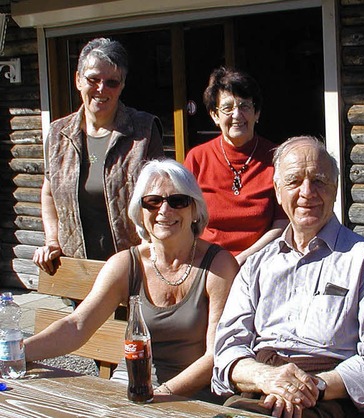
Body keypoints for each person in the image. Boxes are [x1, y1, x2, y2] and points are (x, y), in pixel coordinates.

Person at [212, 136, 364, 418]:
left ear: (335, 189)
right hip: (259, 392)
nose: (307, 192)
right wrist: (266, 378)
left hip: (331, 397)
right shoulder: (257, 265)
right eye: (294, 181)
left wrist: (312, 387)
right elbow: (228, 349)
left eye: (319, 181)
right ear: (278, 191)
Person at [25, 159, 239, 401]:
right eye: (153, 201)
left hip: (193, 397)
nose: (164, 211)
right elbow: (77, 326)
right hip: (131, 386)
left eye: (178, 201)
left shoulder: (218, 267)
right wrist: (17, 353)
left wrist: (159, 395)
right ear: (140, 211)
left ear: (195, 210)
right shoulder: (126, 264)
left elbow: (216, 355)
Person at [33, 37, 164, 275]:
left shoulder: (143, 130)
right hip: (76, 268)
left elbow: (160, 196)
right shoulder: (57, 134)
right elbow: (49, 191)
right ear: (78, 80)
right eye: (93, 79)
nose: (101, 89)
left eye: (112, 82)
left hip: (132, 269)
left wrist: (152, 245)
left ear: (122, 86)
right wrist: (52, 241)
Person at [184, 67, 287, 266]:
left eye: (245, 106)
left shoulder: (277, 158)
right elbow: (184, 218)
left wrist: (241, 260)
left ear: (257, 113)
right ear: (215, 116)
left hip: (261, 263)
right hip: (204, 263)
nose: (237, 115)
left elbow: (282, 223)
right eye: (227, 108)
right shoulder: (197, 158)